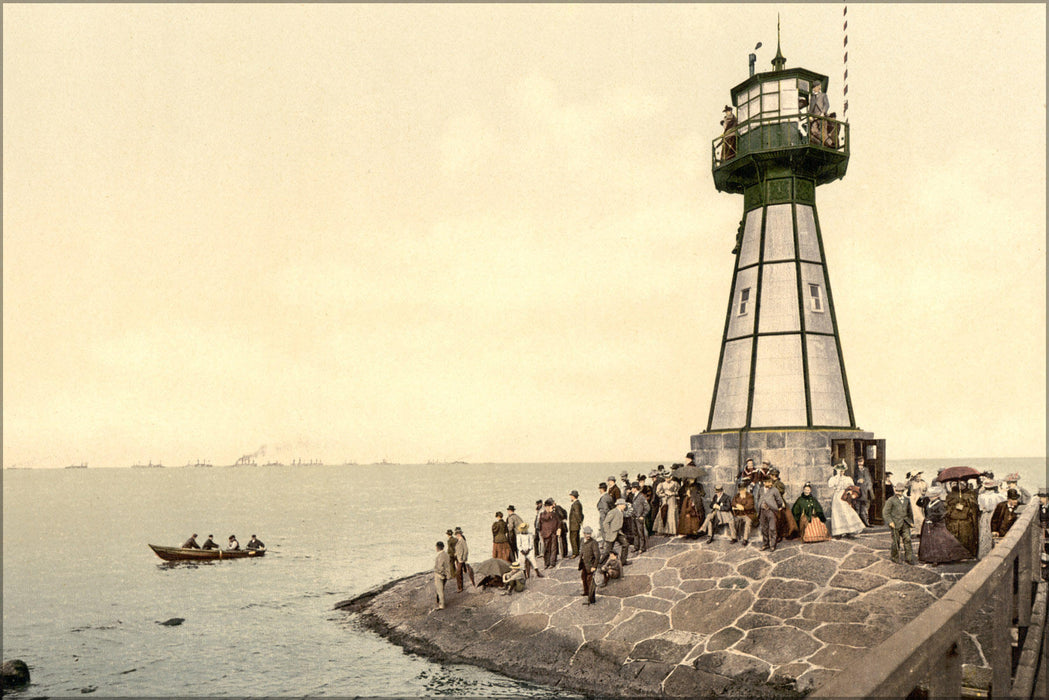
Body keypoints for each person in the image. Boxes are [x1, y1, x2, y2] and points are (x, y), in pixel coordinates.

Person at [918, 485, 971, 564]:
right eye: (930, 496)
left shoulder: (939, 504)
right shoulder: (929, 502)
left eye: (932, 496)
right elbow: (919, 504)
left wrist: (933, 519)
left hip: (937, 524)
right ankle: (929, 557)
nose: (930, 497)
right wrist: (921, 497)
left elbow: (942, 514)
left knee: (940, 541)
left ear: (936, 496)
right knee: (928, 541)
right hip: (928, 524)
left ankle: (938, 558)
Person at [882, 482, 917, 565]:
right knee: (896, 541)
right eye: (897, 491)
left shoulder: (906, 500)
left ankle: (909, 558)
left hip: (905, 523)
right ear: (895, 490)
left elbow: (910, 512)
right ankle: (895, 557)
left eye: (901, 491)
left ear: (903, 491)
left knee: (907, 540)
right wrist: (890, 521)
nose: (899, 493)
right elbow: (885, 512)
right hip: (895, 523)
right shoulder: (891, 500)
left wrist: (911, 522)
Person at [828, 464, 864, 538]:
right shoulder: (834, 479)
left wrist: (850, 492)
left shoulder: (847, 479)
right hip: (837, 496)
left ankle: (850, 531)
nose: (841, 472)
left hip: (844, 496)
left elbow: (852, 487)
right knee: (837, 513)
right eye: (839, 471)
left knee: (847, 512)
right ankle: (839, 532)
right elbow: (831, 485)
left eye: (842, 471)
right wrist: (837, 478)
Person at [945, 482, 978, 558]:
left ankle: (967, 553)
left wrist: (966, 506)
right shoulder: (951, 495)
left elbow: (974, 507)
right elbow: (947, 506)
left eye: (963, 484)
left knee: (966, 536)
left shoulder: (970, 494)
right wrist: (954, 504)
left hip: (966, 520)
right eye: (960, 484)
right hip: (953, 520)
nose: (961, 486)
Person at [767, 467, 799, 541]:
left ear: (774, 476)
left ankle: (780, 535)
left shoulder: (779, 484)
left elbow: (781, 491)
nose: (770, 477)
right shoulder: (771, 483)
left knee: (781, 519)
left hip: (779, 502)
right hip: (772, 501)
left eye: (771, 475)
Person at [977, 479, 1005, 558]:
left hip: (985, 515)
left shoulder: (981, 496)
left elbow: (980, 507)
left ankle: (984, 553)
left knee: (984, 533)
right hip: (994, 514)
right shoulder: (998, 496)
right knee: (993, 531)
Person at [756, 475, 786, 551]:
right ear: (764, 483)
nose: (770, 484)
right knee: (764, 528)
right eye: (768, 482)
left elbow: (779, 500)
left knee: (772, 528)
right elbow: (758, 498)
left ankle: (772, 544)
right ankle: (765, 544)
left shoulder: (775, 490)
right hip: (762, 512)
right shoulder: (761, 490)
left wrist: (778, 507)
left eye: (771, 482)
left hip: (771, 511)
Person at [601, 498, 630, 566]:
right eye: (624, 505)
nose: (625, 506)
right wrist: (608, 532)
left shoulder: (621, 512)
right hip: (611, 533)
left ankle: (623, 561)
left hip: (618, 532)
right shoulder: (613, 512)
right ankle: (600, 565)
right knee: (607, 551)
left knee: (625, 544)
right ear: (619, 505)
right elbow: (605, 523)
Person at [579, 526, 601, 605]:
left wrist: (594, 566)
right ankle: (586, 592)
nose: (588, 535)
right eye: (586, 534)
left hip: (590, 566)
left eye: (589, 534)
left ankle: (591, 599)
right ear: (583, 533)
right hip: (584, 564)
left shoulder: (594, 543)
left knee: (590, 582)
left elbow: (597, 556)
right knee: (584, 578)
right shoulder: (582, 540)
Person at [730, 480, 757, 545]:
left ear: (745, 489)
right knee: (731, 521)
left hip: (748, 514)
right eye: (740, 490)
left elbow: (750, 505)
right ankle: (734, 538)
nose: (741, 491)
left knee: (748, 522)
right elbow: (733, 502)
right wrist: (737, 505)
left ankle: (745, 539)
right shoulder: (737, 495)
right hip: (739, 514)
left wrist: (743, 507)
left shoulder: (750, 496)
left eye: (743, 490)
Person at [538, 499, 562, 569]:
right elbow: (544, 519)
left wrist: (559, 529)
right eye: (549, 506)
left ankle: (552, 563)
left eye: (551, 506)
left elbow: (559, 521)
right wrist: (550, 513)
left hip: (553, 533)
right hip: (545, 534)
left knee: (553, 548)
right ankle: (546, 563)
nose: (551, 507)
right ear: (546, 507)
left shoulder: (555, 514)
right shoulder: (542, 514)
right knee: (546, 549)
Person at [854, 457, 875, 527]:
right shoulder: (855, 470)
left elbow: (869, 480)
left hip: (866, 492)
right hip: (858, 491)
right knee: (857, 508)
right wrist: (857, 481)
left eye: (861, 461)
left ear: (863, 462)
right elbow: (853, 480)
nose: (860, 463)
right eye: (858, 462)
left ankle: (866, 522)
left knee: (865, 508)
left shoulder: (866, 470)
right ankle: (857, 524)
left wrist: (869, 488)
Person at [808, 81, 830, 146]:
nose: (819, 87)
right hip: (814, 118)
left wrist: (823, 112)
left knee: (823, 131)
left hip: (822, 117)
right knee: (813, 131)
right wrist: (810, 117)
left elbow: (827, 105)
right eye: (818, 86)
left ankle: (825, 142)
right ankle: (827, 141)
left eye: (819, 86)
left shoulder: (823, 95)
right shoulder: (812, 97)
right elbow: (810, 109)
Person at [433, 541, 454, 610]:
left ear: (437, 547)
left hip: (440, 575)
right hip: (446, 574)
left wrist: (438, 572)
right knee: (441, 589)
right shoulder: (446, 554)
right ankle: (439, 601)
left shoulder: (440, 555)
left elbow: (440, 566)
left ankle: (441, 605)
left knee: (440, 590)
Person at [629, 482, 649, 553]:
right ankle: (636, 547)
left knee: (641, 533)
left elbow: (647, 507)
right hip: (634, 517)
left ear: (635, 488)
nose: (631, 489)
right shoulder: (634, 496)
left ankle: (642, 548)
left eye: (632, 488)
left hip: (639, 518)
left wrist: (643, 516)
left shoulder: (641, 497)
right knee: (635, 533)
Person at [568, 491, 584, 558]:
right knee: (576, 537)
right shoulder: (577, 503)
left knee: (573, 538)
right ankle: (577, 551)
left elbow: (578, 514)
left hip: (574, 525)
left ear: (573, 496)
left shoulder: (576, 504)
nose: (570, 497)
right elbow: (581, 515)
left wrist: (579, 522)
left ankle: (575, 553)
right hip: (575, 524)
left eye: (571, 496)